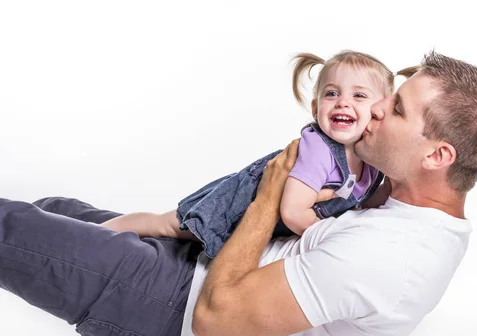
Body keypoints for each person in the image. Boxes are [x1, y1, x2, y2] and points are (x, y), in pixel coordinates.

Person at [0, 51, 477, 336]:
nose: (375, 109)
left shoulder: (393, 260)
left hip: (170, 313)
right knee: (53, 210)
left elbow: (214, 320)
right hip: (196, 261)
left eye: (395, 109)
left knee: (12, 229)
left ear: (437, 156)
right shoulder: (399, 201)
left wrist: (269, 197)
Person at [99, 50, 394, 259]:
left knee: (177, 240)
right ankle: (97, 233)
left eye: (359, 95)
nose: (342, 103)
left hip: (262, 226)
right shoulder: (319, 150)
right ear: (316, 108)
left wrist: (393, 189)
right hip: (239, 205)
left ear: (380, 110)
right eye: (332, 94)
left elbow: (363, 198)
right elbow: (293, 213)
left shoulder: (369, 158)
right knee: (168, 225)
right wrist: (333, 239)